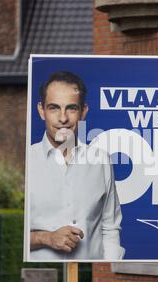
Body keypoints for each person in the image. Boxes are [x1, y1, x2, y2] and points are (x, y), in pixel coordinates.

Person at [28, 71, 124, 260]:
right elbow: (10, 235)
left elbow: (110, 227)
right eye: (54, 108)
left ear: (83, 112)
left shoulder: (101, 160)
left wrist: (110, 267)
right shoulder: (27, 161)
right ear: (41, 110)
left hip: (90, 275)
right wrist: (46, 238)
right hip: (45, 274)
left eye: (71, 108)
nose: (63, 118)